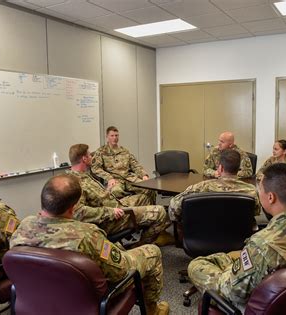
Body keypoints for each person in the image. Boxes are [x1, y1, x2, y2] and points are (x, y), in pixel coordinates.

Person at [10, 174, 169, 315]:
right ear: (73, 209)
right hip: (86, 302)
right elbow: (120, 272)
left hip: (37, 299)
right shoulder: (87, 235)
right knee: (152, 252)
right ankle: (152, 310)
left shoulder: (22, 227)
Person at [188, 163, 286, 306]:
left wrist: (229, 273)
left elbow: (233, 292)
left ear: (271, 197)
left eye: (260, 189)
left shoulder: (261, 245)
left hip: (267, 302)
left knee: (197, 264)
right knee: (225, 258)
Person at [68, 144, 171, 245]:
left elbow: (95, 197)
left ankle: (152, 227)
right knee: (161, 212)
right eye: (89, 155)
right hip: (112, 218)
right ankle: (140, 245)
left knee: (144, 197)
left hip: (116, 204)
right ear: (84, 159)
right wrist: (110, 212)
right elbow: (78, 212)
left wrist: (106, 192)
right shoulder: (75, 183)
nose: (92, 157)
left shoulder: (83, 175)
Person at [169, 149, 261, 223]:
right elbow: (256, 212)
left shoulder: (200, 187)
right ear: (238, 169)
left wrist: (181, 222)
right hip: (238, 238)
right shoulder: (251, 191)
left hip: (202, 236)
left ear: (220, 168)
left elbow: (174, 206)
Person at [91, 126, 155, 206]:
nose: (115, 138)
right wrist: (109, 178)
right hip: (115, 180)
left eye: (116, 135)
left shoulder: (124, 151)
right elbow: (95, 168)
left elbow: (135, 165)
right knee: (115, 192)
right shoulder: (101, 152)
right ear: (107, 137)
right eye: (112, 136)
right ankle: (123, 213)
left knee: (149, 189)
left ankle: (149, 211)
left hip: (129, 178)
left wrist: (144, 175)